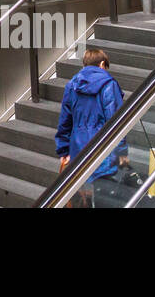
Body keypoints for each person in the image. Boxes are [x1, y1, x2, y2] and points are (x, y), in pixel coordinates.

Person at [55, 47, 129, 207]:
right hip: (102, 151)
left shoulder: (72, 86)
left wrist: (63, 150)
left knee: (82, 199)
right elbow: (116, 122)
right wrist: (122, 152)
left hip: (78, 151)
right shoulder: (109, 85)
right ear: (102, 64)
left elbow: (65, 121)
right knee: (105, 199)